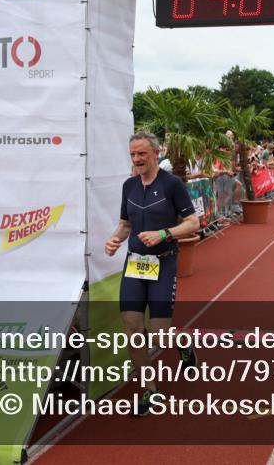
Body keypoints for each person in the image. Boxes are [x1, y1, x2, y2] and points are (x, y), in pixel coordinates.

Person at [104, 131, 201, 416]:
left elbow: (193, 222)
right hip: (135, 264)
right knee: (133, 331)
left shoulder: (172, 184)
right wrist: (114, 239)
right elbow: (125, 224)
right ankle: (150, 390)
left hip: (163, 263)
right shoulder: (129, 186)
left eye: (142, 154)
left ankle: (182, 343)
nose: (136, 159)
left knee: (160, 337)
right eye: (133, 154)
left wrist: (164, 234)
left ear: (156, 153)